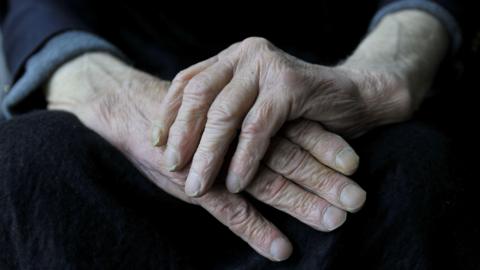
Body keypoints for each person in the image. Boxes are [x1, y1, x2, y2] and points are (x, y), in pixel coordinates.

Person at [0, 0, 474, 269]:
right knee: (27, 163)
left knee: (417, 173)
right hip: (122, 75)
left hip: (336, 80)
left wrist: (379, 78)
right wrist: (97, 83)